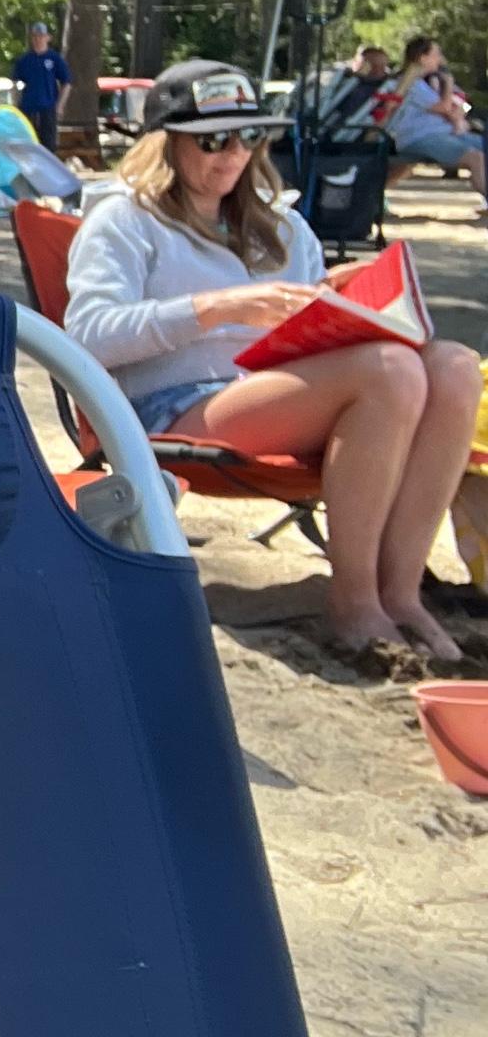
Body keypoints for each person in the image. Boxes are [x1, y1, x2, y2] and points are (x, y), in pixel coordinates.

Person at [66, 59, 483, 659]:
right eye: (213, 139)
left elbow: (308, 329)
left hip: (273, 390)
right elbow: (87, 335)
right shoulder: (125, 220)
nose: (235, 153)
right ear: (166, 143)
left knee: (453, 367)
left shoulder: (281, 224)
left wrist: (344, 302)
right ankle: (354, 600)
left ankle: (400, 592)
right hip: (172, 407)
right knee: (388, 372)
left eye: (249, 135)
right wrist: (217, 308)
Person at [385, 35, 488, 211]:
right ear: (422, 58)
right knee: (475, 157)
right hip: (421, 136)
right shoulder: (410, 82)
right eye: (436, 54)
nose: (441, 59)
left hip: (447, 132)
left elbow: (464, 102)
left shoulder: (434, 79)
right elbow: (444, 107)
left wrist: (459, 112)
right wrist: (448, 85)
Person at [10, 19, 72, 149]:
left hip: (48, 108)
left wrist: (60, 106)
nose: (38, 39)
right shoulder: (25, 60)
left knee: (48, 145)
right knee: (28, 144)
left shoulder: (54, 59)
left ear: (48, 38)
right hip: (28, 108)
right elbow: (15, 83)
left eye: (41, 36)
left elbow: (66, 82)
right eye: (35, 36)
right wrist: (16, 103)